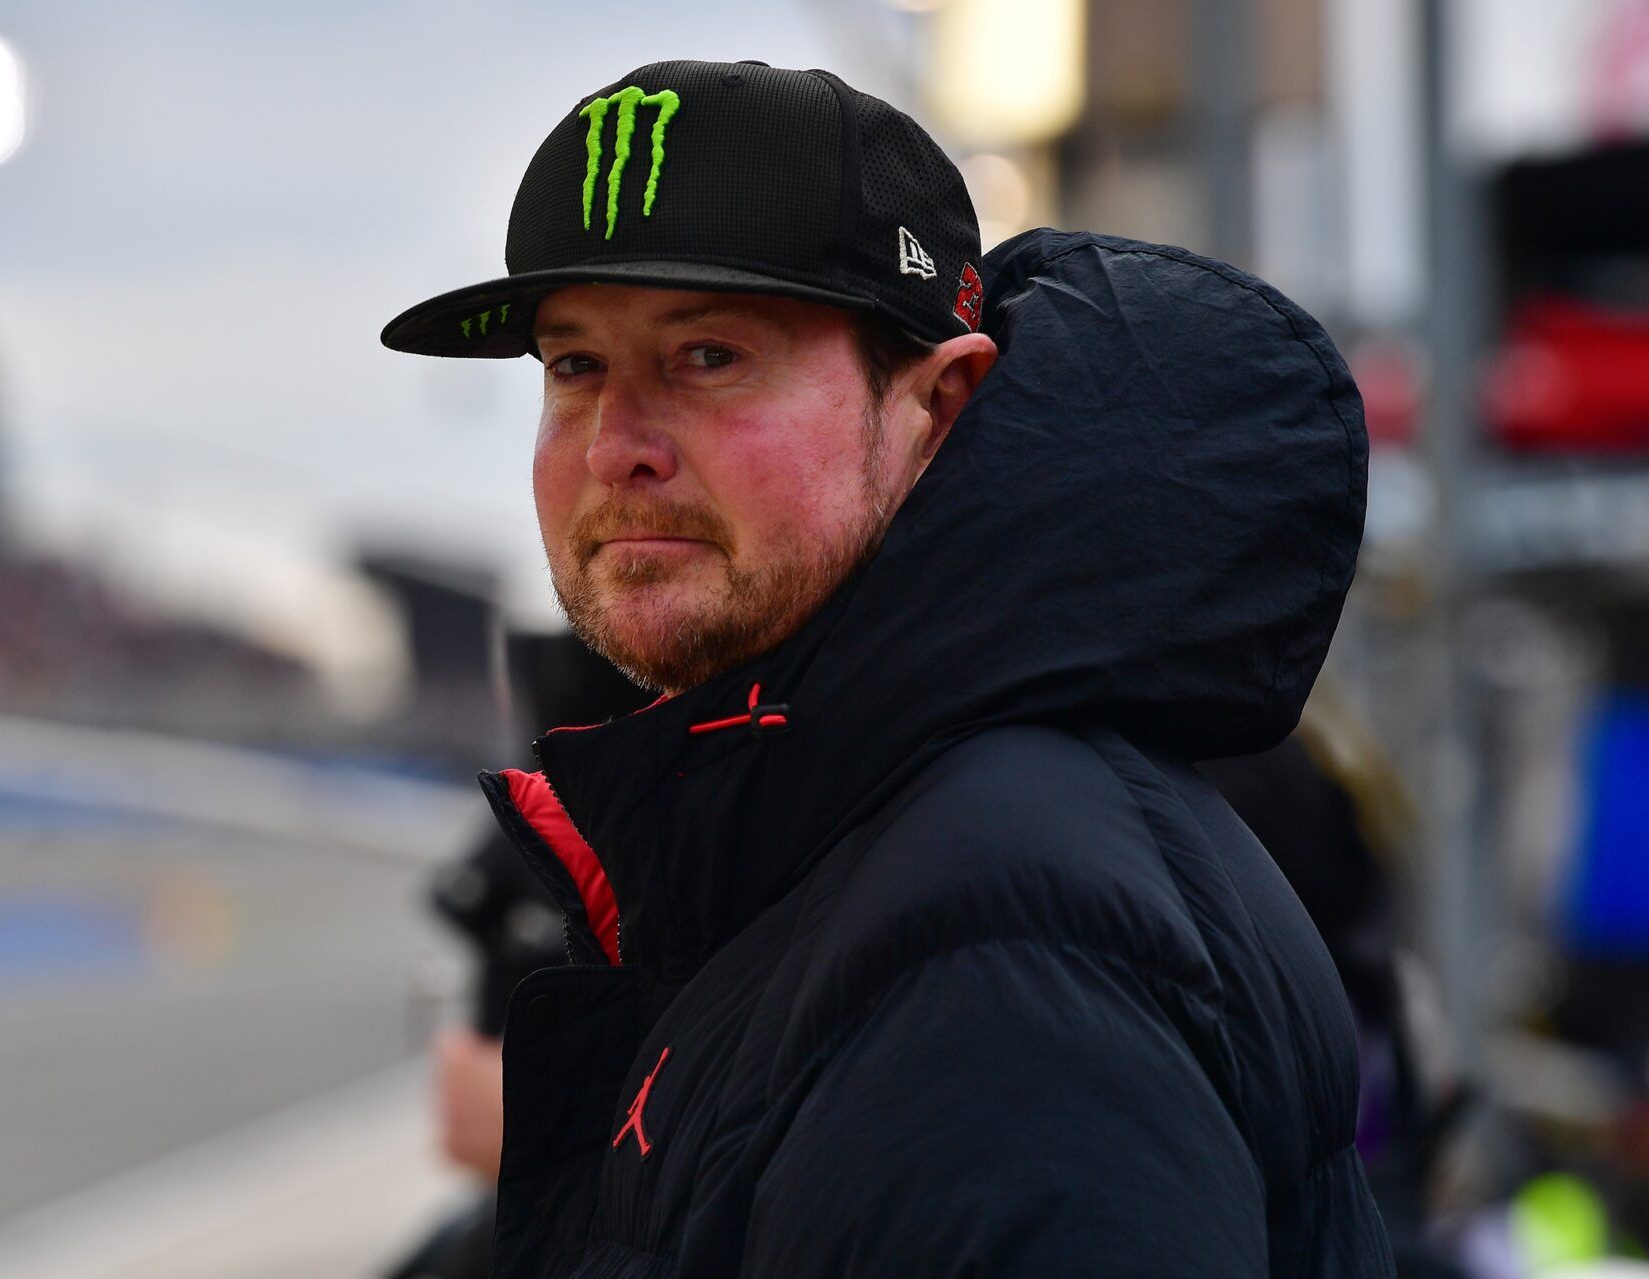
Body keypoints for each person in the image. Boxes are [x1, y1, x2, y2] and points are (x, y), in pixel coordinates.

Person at [382, 57, 1393, 1277]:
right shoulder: (830, 840)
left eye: (709, 355)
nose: (615, 449)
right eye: (574, 365)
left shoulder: (1001, 945)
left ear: (940, 405)